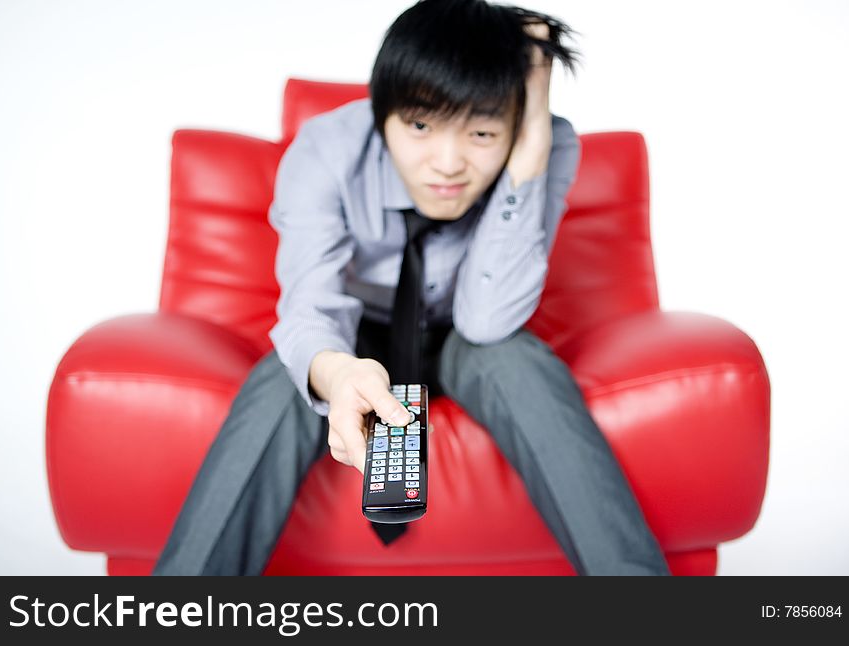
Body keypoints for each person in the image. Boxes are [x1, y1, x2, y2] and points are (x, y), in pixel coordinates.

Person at [153, 0, 670, 576]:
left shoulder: (542, 144)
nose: (446, 164)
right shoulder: (326, 148)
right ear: (383, 114)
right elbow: (310, 308)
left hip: (468, 335)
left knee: (514, 358)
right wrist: (340, 372)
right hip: (356, 333)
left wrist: (529, 150)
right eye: (420, 126)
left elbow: (487, 320)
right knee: (288, 372)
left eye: (481, 131)